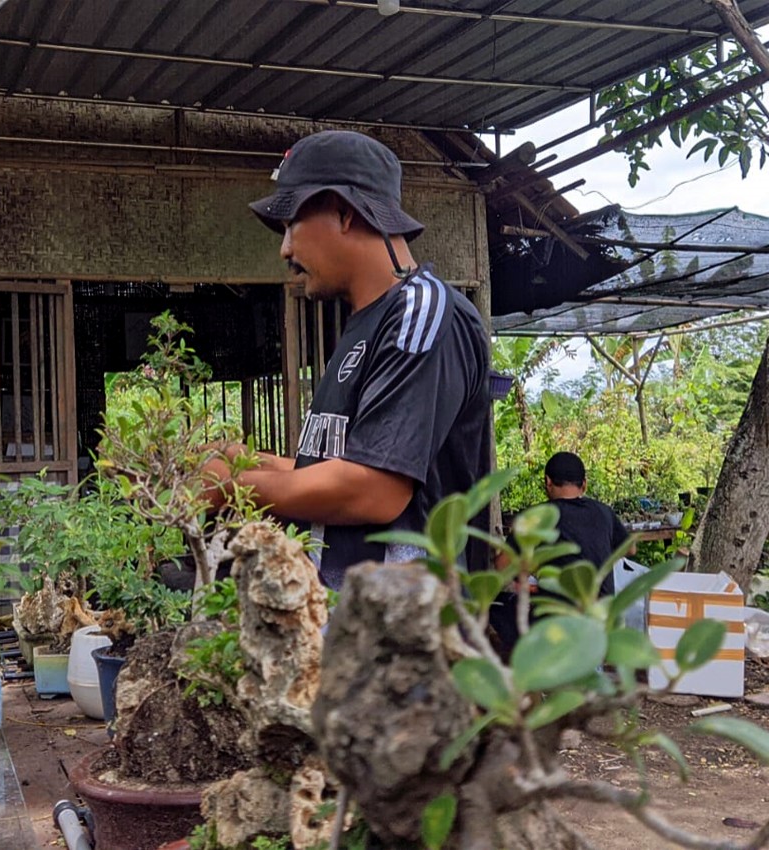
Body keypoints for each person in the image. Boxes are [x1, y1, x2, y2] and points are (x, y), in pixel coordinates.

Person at [204, 130, 492, 589]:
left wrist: (230, 486)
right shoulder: (365, 322)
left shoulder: (423, 314)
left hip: (404, 639)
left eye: (290, 224)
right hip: (344, 628)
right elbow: (338, 466)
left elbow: (375, 489)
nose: (285, 250)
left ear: (343, 212)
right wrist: (247, 461)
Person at [489, 451, 630, 654]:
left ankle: (528, 667)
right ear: (584, 484)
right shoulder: (604, 512)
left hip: (556, 623)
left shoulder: (539, 517)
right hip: (600, 622)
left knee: (497, 607)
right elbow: (630, 548)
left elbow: (502, 567)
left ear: (547, 482)